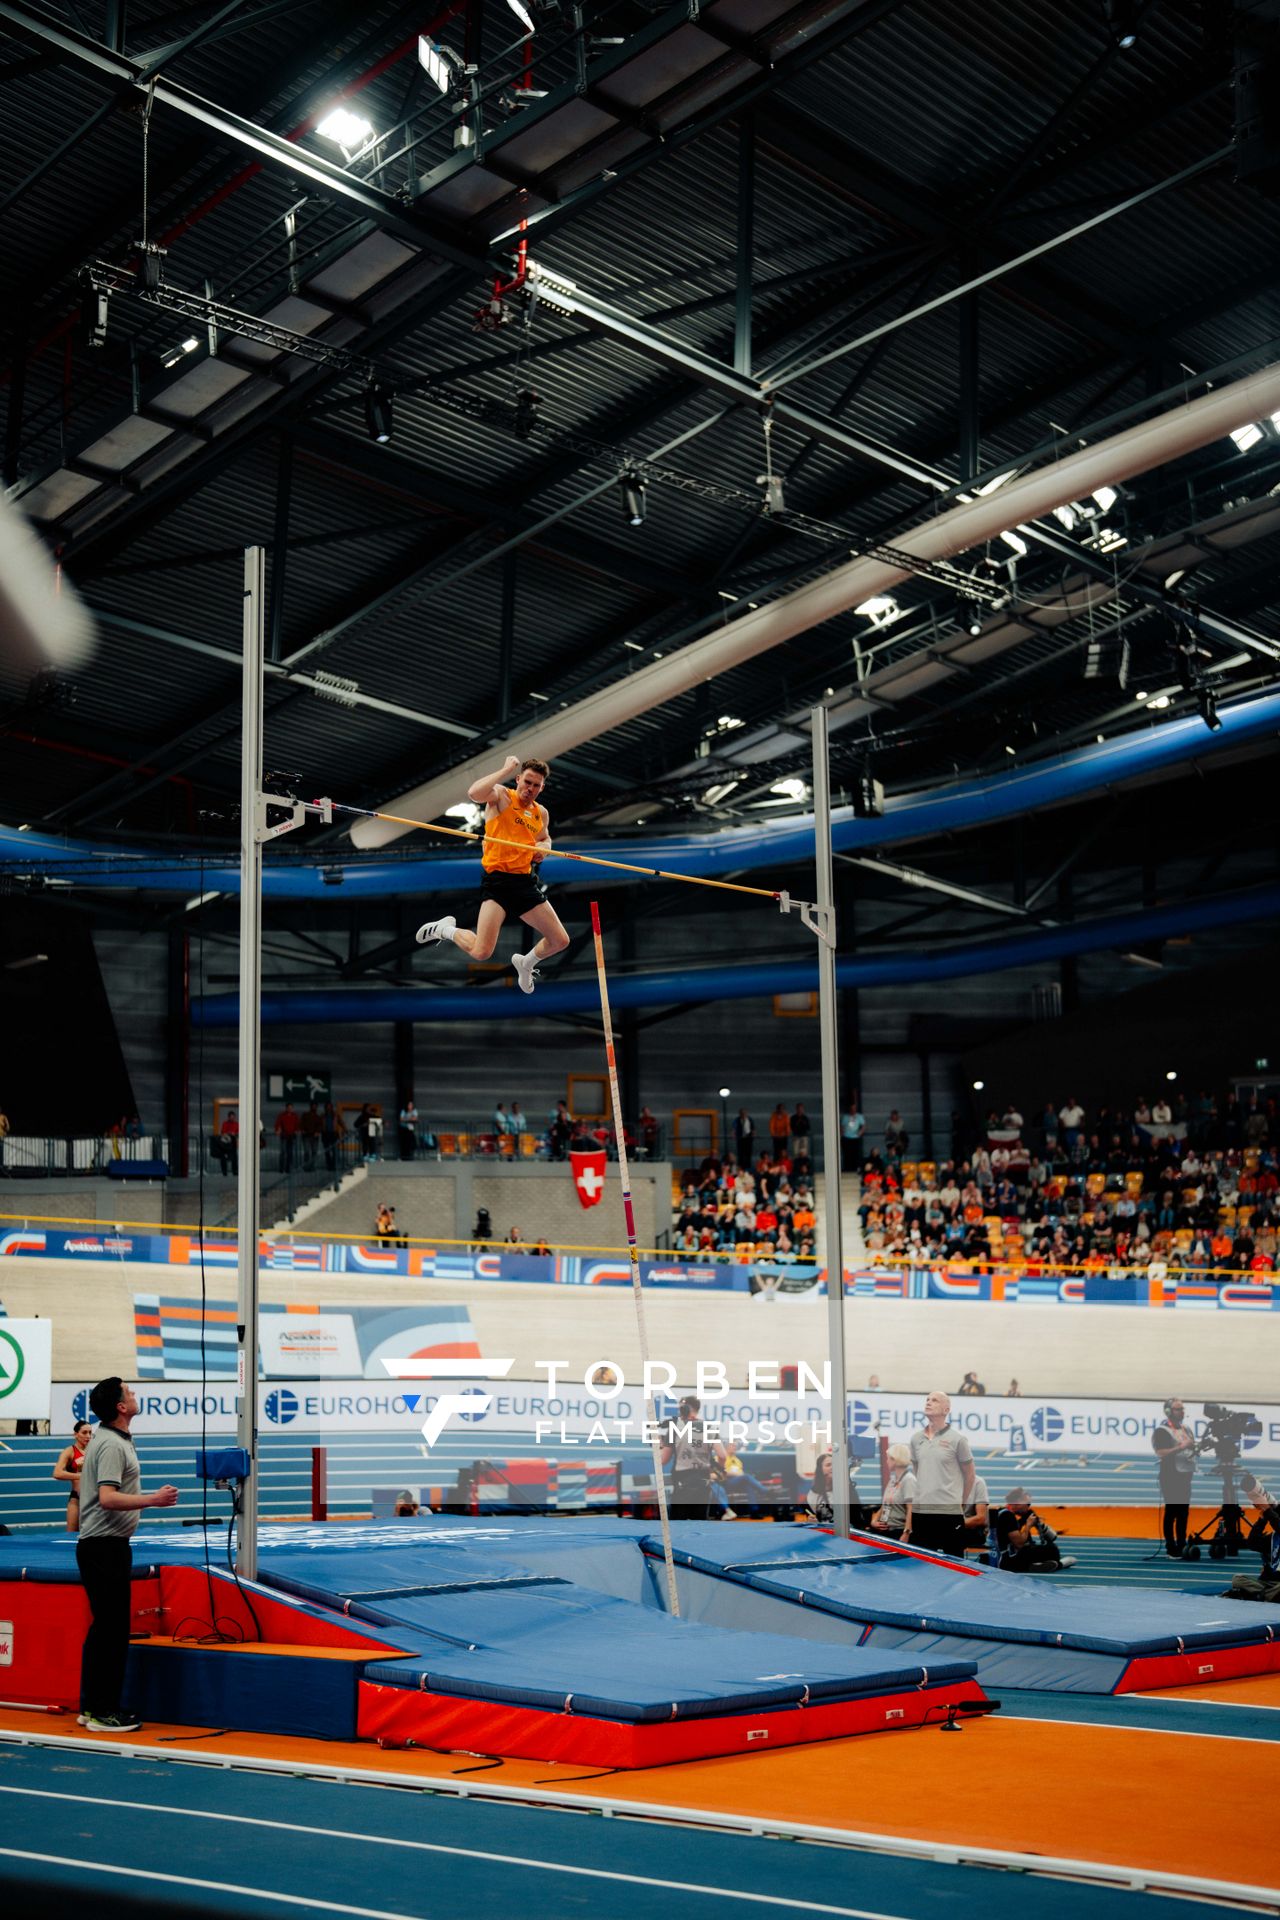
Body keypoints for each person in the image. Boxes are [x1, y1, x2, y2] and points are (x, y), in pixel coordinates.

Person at [416, 754, 570, 994]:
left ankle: (526, 962)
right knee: (481, 951)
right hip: (498, 881)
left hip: (524, 883)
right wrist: (505, 769)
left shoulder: (542, 813)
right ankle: (445, 929)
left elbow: (544, 838)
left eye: (536, 785)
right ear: (518, 779)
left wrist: (544, 849)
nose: (530, 788)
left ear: (542, 787)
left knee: (560, 941)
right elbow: (474, 793)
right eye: (527, 782)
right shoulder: (500, 796)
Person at [77, 1378, 178, 1733]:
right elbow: (107, 1497)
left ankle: (91, 1707)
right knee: (112, 1632)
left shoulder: (113, 1438)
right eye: (130, 1393)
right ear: (120, 1407)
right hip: (104, 1547)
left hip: (104, 1546)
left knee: (104, 1629)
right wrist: (153, 1499)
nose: (135, 1395)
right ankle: (104, 1712)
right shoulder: (111, 1446)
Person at [908, 1390, 974, 1557]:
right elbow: (918, 1472)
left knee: (954, 1567)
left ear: (946, 1410)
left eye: (935, 1400)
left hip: (949, 1514)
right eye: (927, 1399)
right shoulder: (916, 1439)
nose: (929, 1402)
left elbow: (970, 1475)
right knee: (919, 1565)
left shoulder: (958, 1440)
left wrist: (961, 1503)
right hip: (921, 1513)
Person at [661, 1394, 726, 1520]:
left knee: (678, 1523)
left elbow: (663, 1460)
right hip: (704, 1481)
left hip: (682, 1481)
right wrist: (718, 1473)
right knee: (699, 1523)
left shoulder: (675, 1428)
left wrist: (659, 1448)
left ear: (685, 1408)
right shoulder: (710, 1427)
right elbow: (722, 1455)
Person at [1152, 1395, 1197, 1557]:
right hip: (1170, 1475)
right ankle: (1171, 1546)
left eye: (1182, 1409)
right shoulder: (1162, 1431)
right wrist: (1180, 1447)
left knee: (1183, 1512)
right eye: (1178, 1409)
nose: (1182, 1412)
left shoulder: (1187, 1429)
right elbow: (1160, 1452)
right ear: (1168, 1411)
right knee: (1172, 1511)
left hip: (1186, 1475)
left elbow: (1191, 1447)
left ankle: (1182, 1543)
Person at [995, 1488, 1073, 1572]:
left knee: (1046, 1549)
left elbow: (1052, 1537)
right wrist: (1028, 1525)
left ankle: (1033, 1566)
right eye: (1027, 1504)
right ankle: (1059, 1564)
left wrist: (1039, 1524)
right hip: (1008, 1559)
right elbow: (1019, 1544)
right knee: (1052, 1550)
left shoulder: (1005, 1513)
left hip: (1006, 1554)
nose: (1029, 1507)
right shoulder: (1007, 1516)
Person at [871, 1443, 917, 1543]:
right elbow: (886, 1504)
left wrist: (906, 1533)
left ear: (895, 1460)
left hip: (898, 1532)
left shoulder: (909, 1480)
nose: (886, 1461)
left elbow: (911, 1509)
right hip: (886, 1531)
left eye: (888, 1458)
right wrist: (874, 1521)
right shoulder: (893, 1480)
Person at [53, 1419, 92, 1533]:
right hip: (77, 1499)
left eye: (90, 1433)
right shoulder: (69, 1451)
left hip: (94, 1499)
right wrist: (81, 1476)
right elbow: (57, 1473)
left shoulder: (94, 1450)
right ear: (75, 1434)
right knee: (71, 1535)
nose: (88, 1436)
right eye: (84, 1433)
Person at [840, 1100, 866, 1173]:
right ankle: (847, 1168)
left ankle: (855, 1168)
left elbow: (864, 1126)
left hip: (855, 1138)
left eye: (854, 1108)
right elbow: (841, 1126)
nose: (853, 1110)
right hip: (846, 1137)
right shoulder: (846, 1117)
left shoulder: (859, 1116)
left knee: (855, 1154)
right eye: (851, 1108)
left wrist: (859, 1133)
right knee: (847, 1154)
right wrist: (842, 1134)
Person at [399, 1092, 419, 1161]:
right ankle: (404, 1156)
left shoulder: (414, 1111)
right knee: (404, 1142)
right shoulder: (403, 1111)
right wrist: (409, 1119)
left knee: (411, 1141)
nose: (410, 1106)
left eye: (411, 1105)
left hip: (410, 1128)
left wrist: (406, 1119)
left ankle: (411, 1155)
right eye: (409, 1105)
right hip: (404, 1128)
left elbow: (415, 1118)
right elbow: (401, 1119)